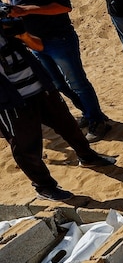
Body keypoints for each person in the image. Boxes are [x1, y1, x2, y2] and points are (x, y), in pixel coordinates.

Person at [0, 0, 111, 142]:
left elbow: (64, 6)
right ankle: (88, 113)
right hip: (34, 40)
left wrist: (27, 10)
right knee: (57, 84)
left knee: (77, 83)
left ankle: (98, 121)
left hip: (59, 38)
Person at [0, 15, 116, 201]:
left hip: (41, 88)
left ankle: (87, 157)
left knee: (68, 125)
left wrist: (21, 34)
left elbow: (38, 46)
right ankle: (44, 187)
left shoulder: (6, 25)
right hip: (11, 102)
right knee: (26, 146)